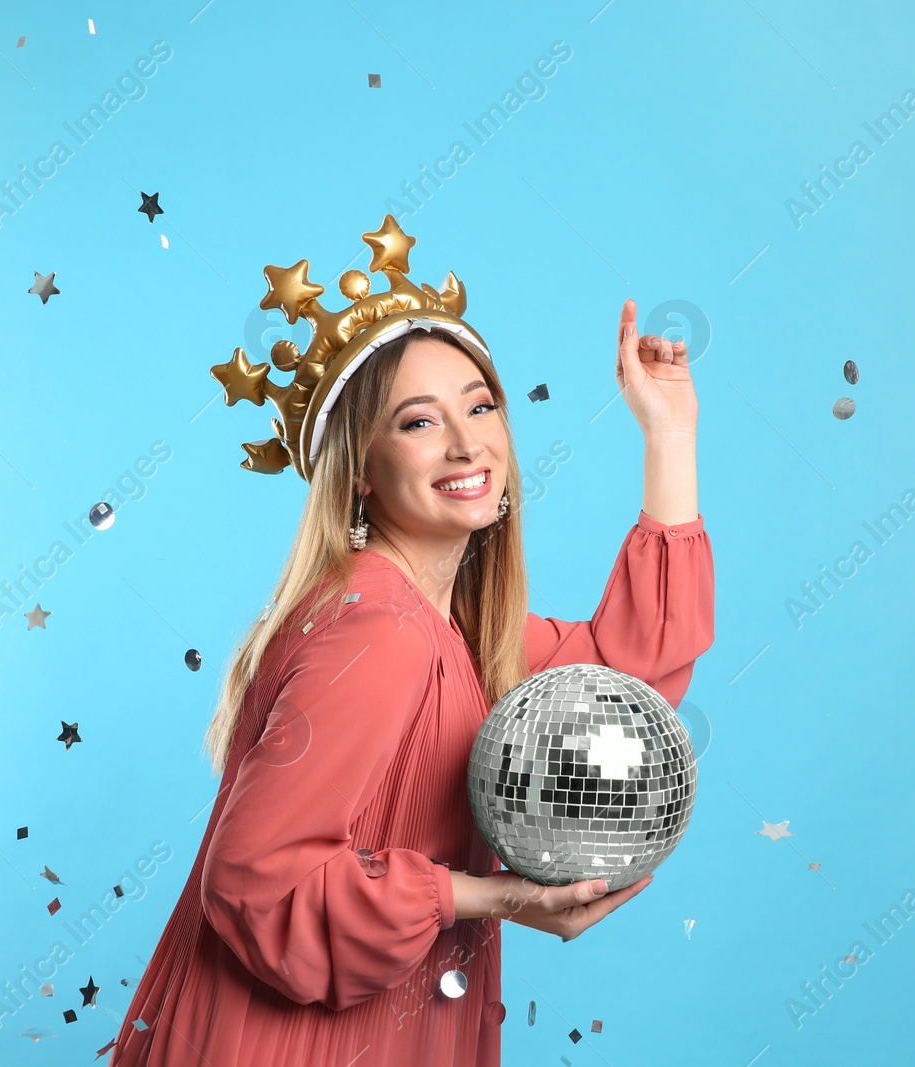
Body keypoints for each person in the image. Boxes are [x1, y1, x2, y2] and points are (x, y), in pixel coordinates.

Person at [107, 217, 713, 1066]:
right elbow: (257, 882)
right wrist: (491, 896)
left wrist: (669, 432)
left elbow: (627, 680)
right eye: (419, 422)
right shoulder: (379, 629)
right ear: (360, 465)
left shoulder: (451, 627)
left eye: (480, 405)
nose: (469, 443)